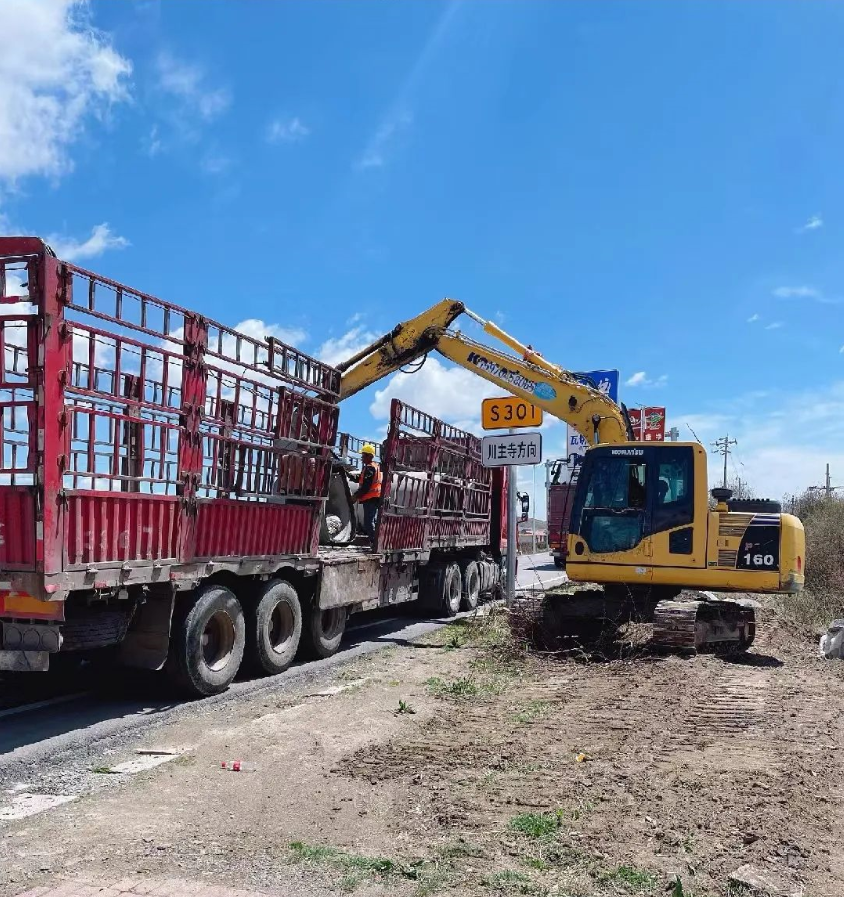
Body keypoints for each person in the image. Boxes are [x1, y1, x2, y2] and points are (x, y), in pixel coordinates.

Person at [347, 443, 382, 546]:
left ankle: (374, 542)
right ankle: (376, 541)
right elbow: (361, 479)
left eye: (363, 456)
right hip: (374, 498)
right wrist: (349, 475)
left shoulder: (370, 468)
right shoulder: (373, 467)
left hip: (371, 498)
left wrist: (355, 496)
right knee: (372, 521)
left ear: (369, 456)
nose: (362, 458)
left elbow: (366, 486)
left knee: (368, 522)